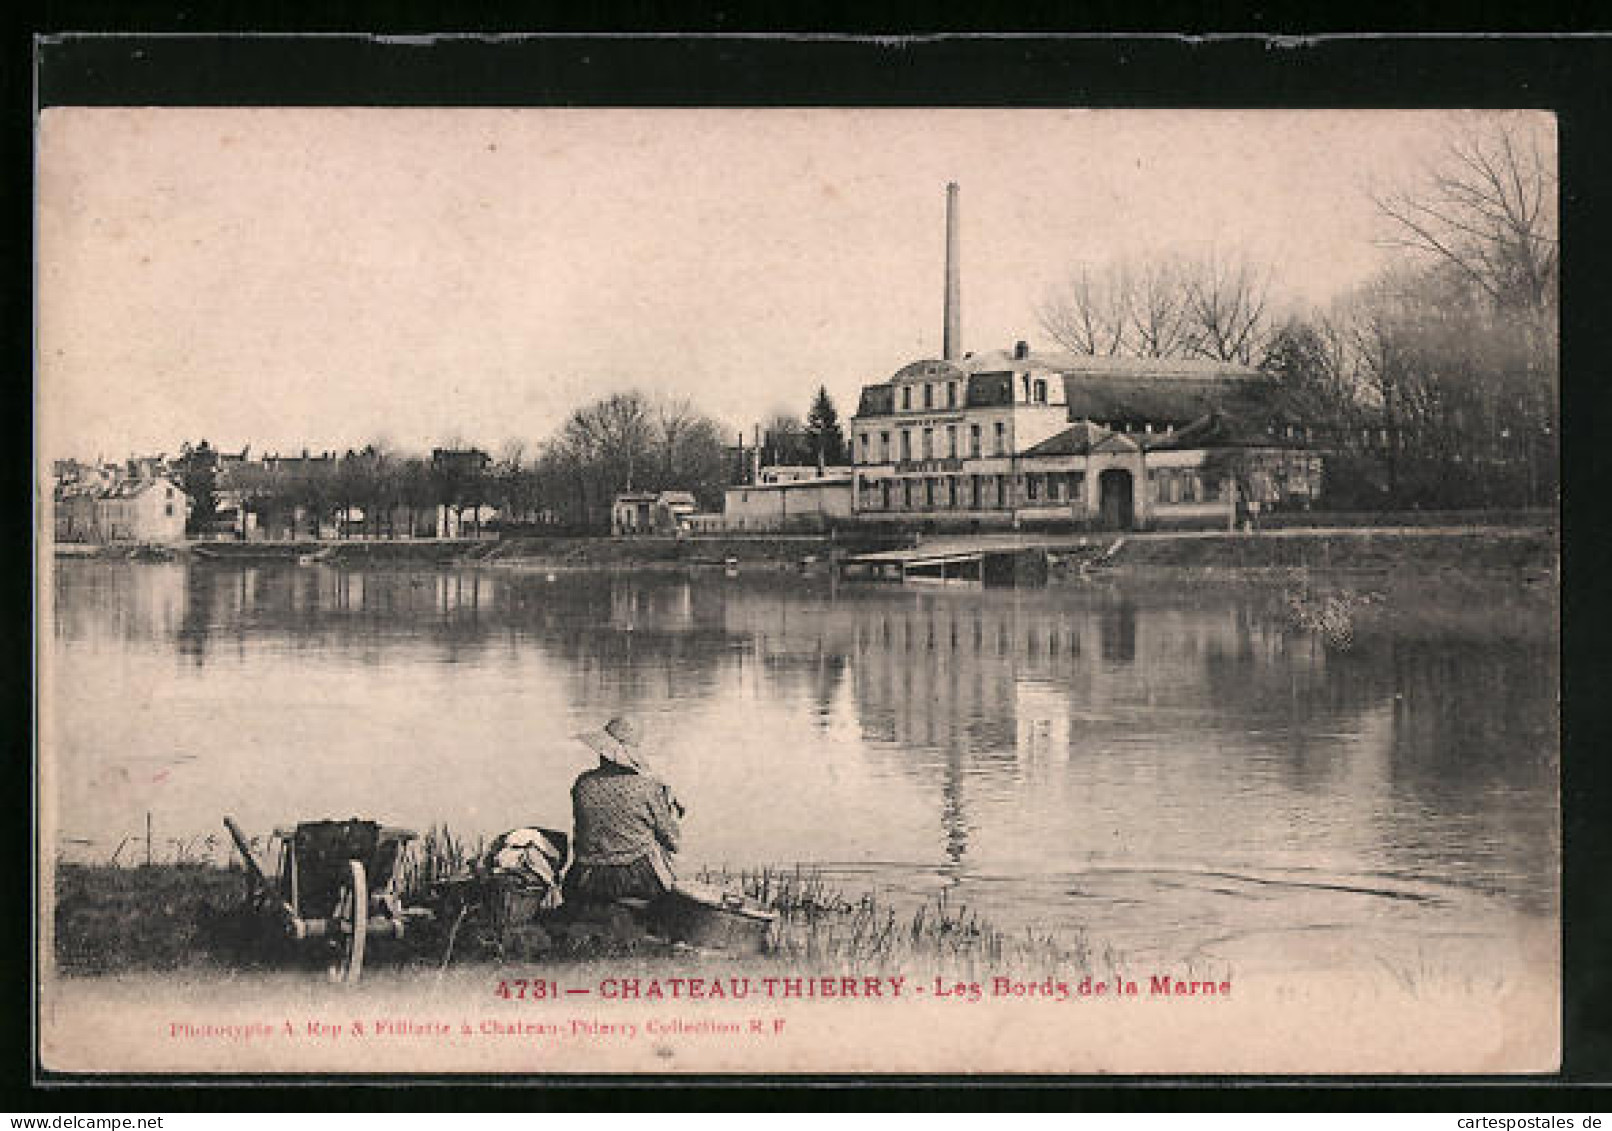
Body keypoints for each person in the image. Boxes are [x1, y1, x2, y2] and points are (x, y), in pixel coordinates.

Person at [562, 716, 684, 906]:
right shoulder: (647, 787)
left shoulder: (583, 783)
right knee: (659, 851)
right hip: (635, 879)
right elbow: (673, 840)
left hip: (586, 876)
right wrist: (668, 806)